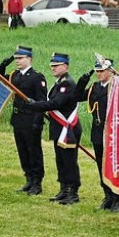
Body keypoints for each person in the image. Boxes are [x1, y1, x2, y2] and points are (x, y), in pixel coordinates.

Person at [23, 52, 82, 205]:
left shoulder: (67, 83)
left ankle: (73, 192)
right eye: (52, 66)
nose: (53, 68)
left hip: (68, 128)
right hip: (59, 127)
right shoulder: (59, 83)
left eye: (56, 66)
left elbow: (56, 103)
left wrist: (35, 105)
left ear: (65, 66)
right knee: (60, 160)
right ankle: (63, 189)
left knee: (69, 161)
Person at [0, 46, 47, 195]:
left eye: (20, 58)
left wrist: (37, 122)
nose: (17, 61)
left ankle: (37, 182)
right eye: (16, 58)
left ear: (29, 59)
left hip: (31, 119)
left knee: (34, 151)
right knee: (22, 151)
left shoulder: (37, 77)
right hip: (18, 118)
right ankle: (29, 179)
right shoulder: (15, 75)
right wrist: (1, 67)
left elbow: (41, 101)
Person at [75, 57, 119, 212]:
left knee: (113, 165)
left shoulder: (117, 86)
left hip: (112, 132)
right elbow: (76, 96)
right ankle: (107, 196)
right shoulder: (94, 87)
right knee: (101, 164)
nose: (99, 74)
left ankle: (117, 198)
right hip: (97, 131)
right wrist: (83, 80)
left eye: (102, 71)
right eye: (97, 71)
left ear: (110, 71)